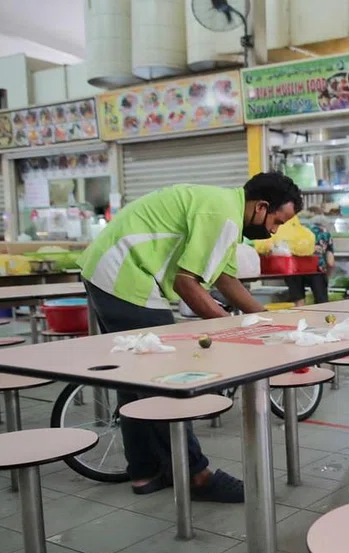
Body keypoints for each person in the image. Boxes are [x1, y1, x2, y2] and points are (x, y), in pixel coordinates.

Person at [78, 173, 303, 502]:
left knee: (136, 378)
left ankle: (145, 472)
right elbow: (187, 284)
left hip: (109, 271)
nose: (273, 231)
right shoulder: (221, 214)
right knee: (163, 378)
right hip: (124, 274)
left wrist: (267, 319)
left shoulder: (225, 211)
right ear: (261, 207)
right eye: (277, 221)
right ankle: (196, 474)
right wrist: (233, 328)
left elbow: (226, 280)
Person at [286, 221, 334, 305]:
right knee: (321, 303)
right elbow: (330, 262)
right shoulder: (325, 233)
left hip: (294, 268)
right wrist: (327, 277)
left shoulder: (296, 230)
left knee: (298, 301)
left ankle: (299, 318)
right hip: (316, 268)